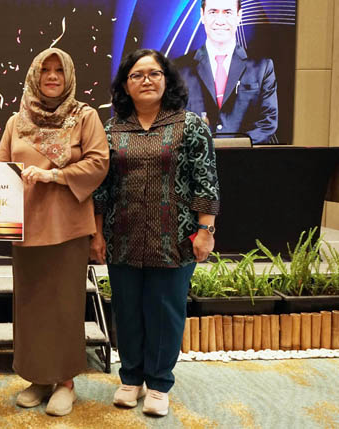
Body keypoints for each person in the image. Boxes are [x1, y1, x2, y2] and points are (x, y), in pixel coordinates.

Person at [91, 49, 220, 417]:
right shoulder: (112, 129)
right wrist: (97, 234)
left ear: (167, 80)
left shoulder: (189, 125)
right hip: (122, 236)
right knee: (127, 310)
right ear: (125, 86)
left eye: (154, 73)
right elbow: (101, 189)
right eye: (137, 75)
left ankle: (159, 383)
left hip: (175, 237)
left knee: (165, 311)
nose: (146, 80)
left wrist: (206, 230)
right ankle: (131, 378)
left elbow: (206, 180)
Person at [0, 47, 109, 417]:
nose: (53, 76)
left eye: (60, 70)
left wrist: (54, 175)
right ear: (35, 75)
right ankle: (39, 378)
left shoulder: (84, 116)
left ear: (69, 76)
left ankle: (65, 382)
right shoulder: (17, 121)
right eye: (46, 70)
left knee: (64, 306)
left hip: (67, 227)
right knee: (30, 307)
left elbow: (99, 162)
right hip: (25, 228)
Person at [174, 0, 278, 144]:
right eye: (213, 12)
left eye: (227, 12)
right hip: (195, 156)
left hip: (244, 156)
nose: (220, 21)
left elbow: (267, 122)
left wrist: (234, 147)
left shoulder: (262, 67)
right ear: (202, 15)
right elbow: (172, 121)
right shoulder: (179, 68)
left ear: (239, 15)